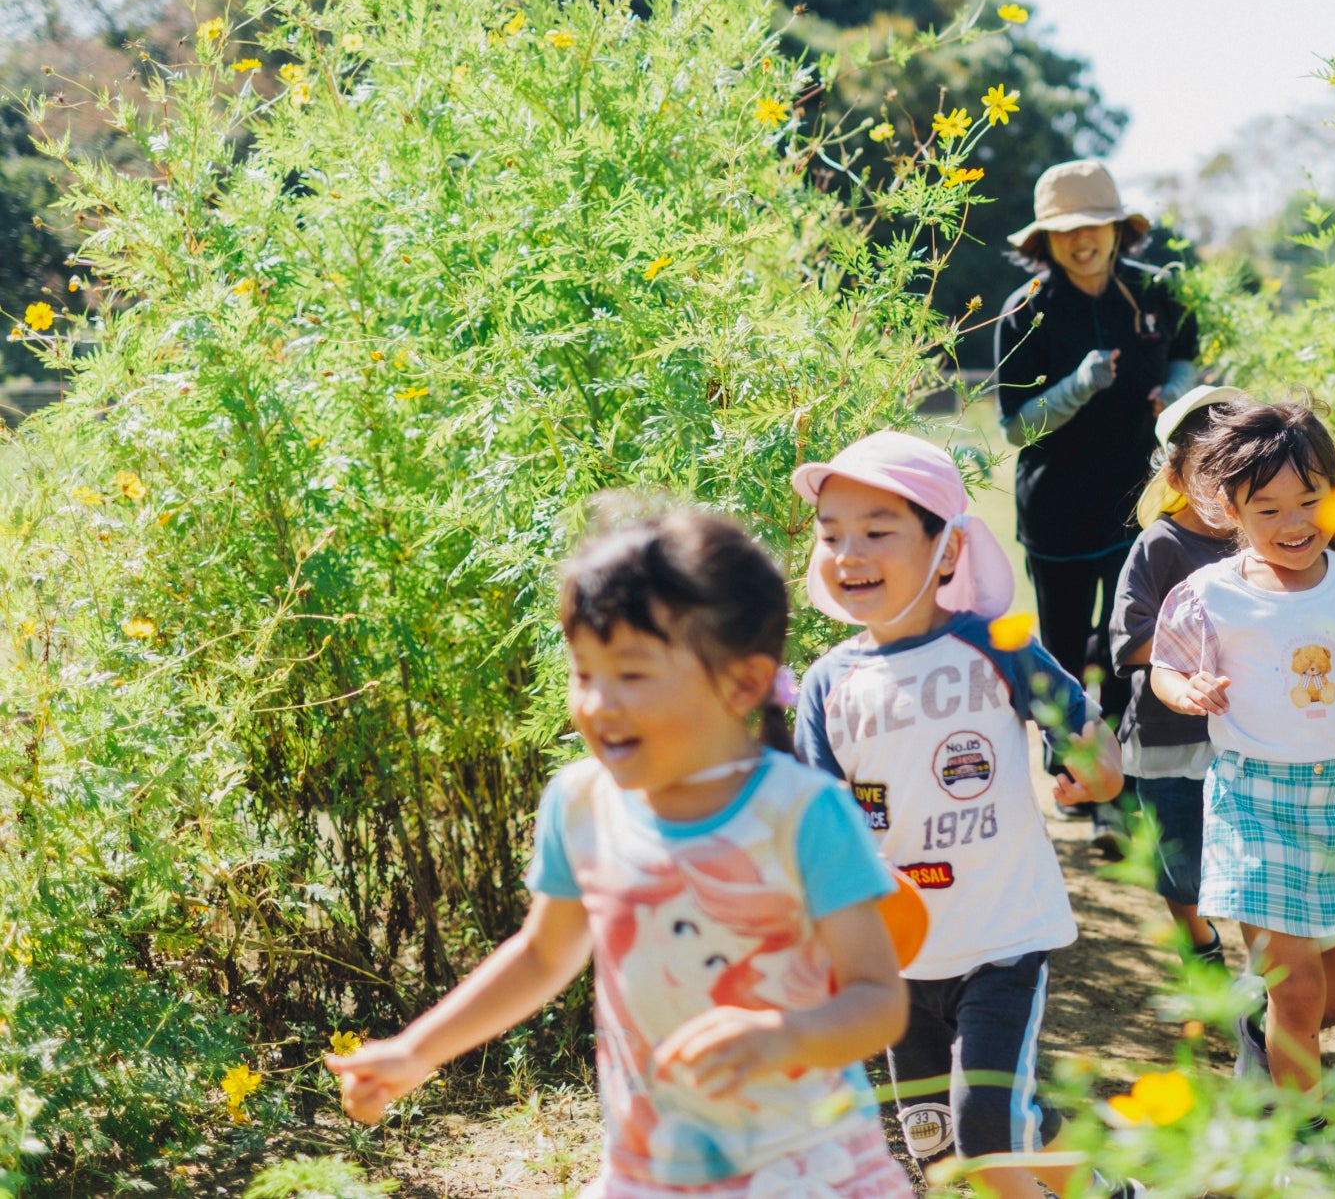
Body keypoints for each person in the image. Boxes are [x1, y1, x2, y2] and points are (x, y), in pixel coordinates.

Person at [326, 508, 912, 1199]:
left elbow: (879, 1002)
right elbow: (542, 955)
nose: (599, 703)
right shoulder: (581, 803)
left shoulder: (802, 815)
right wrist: (415, 1051)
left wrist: (783, 1035)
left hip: (806, 1171)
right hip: (649, 1172)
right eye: (584, 673)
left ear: (742, 684)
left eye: (631, 674)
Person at [790, 431, 1125, 1199]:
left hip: (1000, 939)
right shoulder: (828, 685)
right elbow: (821, 826)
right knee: (942, 1151)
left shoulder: (995, 646)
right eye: (832, 535)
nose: (849, 553)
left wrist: (1094, 776)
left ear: (947, 551)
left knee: (985, 1138)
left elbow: (1093, 745)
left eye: (877, 532)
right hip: (897, 959)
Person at [1148, 401, 1335, 1095]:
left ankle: (1265, 1016)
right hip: (1252, 799)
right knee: (1300, 990)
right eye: (1269, 509)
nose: (1294, 523)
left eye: (1309, 501)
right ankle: (1301, 1131)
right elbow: (1164, 668)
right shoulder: (1210, 594)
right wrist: (1187, 691)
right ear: (1230, 511)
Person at [992, 160, 1200, 765]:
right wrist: (1077, 387)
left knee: (1128, 644)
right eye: (1065, 230)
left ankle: (1121, 771)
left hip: (1141, 502)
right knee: (1060, 651)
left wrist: (1176, 390)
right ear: (1044, 240)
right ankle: (1069, 771)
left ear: (1118, 229)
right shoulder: (1025, 309)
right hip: (1056, 510)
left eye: (1094, 225)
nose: (1081, 240)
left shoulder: (1157, 291)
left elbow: (1185, 357)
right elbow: (1015, 426)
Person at [1109, 384, 1245, 965]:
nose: (1222, 485)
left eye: (1235, 469)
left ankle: (1268, 980)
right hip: (1167, 738)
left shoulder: (1261, 538)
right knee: (1182, 867)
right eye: (1207, 470)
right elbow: (1128, 637)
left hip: (1242, 735)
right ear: (1175, 475)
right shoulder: (1160, 544)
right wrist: (1203, 651)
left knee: (1245, 863)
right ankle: (1200, 945)